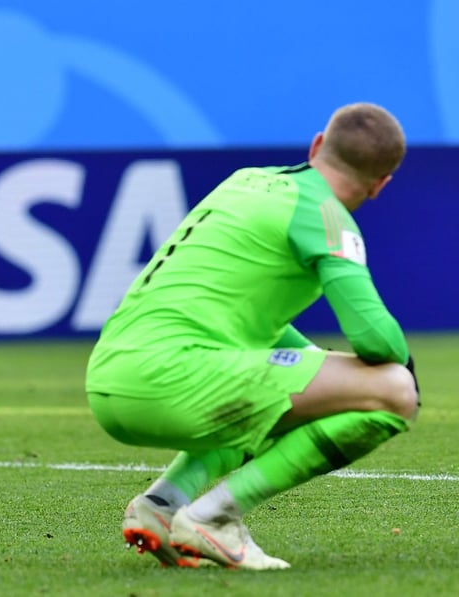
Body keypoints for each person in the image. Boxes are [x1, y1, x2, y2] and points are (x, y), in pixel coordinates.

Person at [84, 103, 419, 570]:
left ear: (317, 144)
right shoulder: (325, 216)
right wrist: (403, 363)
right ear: (381, 183)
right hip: (169, 382)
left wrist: (313, 362)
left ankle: (162, 505)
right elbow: (376, 340)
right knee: (394, 390)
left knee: (282, 386)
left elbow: (257, 323)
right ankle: (215, 517)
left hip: (109, 376)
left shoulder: (243, 182)